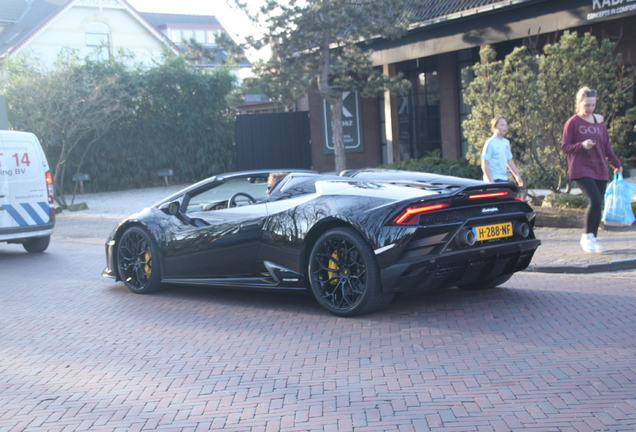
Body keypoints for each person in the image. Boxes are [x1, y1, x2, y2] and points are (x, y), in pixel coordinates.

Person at [562, 86, 622, 253]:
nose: (589, 108)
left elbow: (606, 146)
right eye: (586, 105)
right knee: (594, 200)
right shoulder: (573, 122)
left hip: (600, 167)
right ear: (579, 103)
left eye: (593, 105)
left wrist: (616, 163)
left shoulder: (600, 120)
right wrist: (581, 145)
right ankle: (587, 237)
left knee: (599, 203)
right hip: (581, 168)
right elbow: (565, 147)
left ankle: (593, 239)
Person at [481, 116, 524, 187]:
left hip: (503, 178)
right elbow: (484, 164)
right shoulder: (490, 143)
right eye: (502, 125)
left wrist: (517, 176)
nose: (505, 127)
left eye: (506, 125)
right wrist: (490, 180)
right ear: (495, 127)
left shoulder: (506, 142)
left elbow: (509, 161)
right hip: (494, 178)